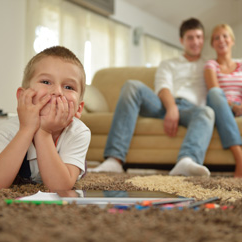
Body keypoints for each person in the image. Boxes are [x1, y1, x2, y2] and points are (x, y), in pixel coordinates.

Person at [90, 18, 215, 176]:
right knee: (132, 85)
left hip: (192, 111)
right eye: (190, 37)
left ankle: (186, 161)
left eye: (199, 37)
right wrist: (171, 108)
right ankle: (114, 160)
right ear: (182, 40)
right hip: (162, 105)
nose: (195, 41)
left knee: (207, 112)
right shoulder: (169, 63)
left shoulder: (209, 65)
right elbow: (163, 87)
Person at [0, 46, 91, 191]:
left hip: (68, 163)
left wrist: (44, 131)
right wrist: (26, 129)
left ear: (79, 109)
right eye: (46, 82)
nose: (57, 92)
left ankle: (78, 165)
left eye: (68, 87)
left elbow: (60, 187)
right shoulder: (8, 130)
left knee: (74, 167)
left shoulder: (78, 132)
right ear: (22, 96)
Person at [205, 24, 242, 179]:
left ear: (232, 41)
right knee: (215, 93)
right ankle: (240, 158)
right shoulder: (211, 65)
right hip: (224, 108)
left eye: (225, 36)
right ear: (212, 44)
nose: (221, 40)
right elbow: (214, 91)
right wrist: (234, 107)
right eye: (216, 38)